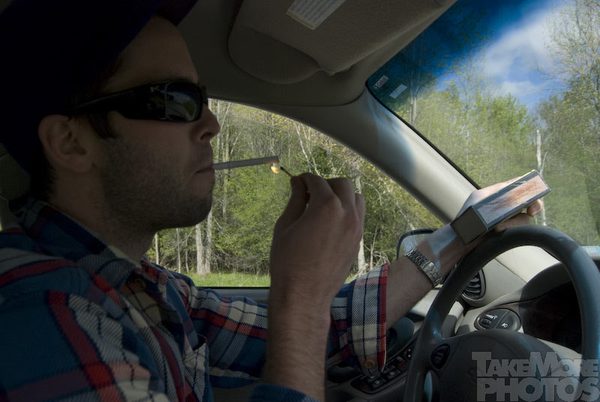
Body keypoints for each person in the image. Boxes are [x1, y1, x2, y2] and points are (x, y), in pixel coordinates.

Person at [0, 0, 540, 401]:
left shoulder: (145, 287)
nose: (210, 124)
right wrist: (300, 295)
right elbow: (303, 322)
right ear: (71, 143)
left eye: (203, 98)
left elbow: (324, 330)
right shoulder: (40, 316)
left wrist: (463, 232)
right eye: (175, 100)